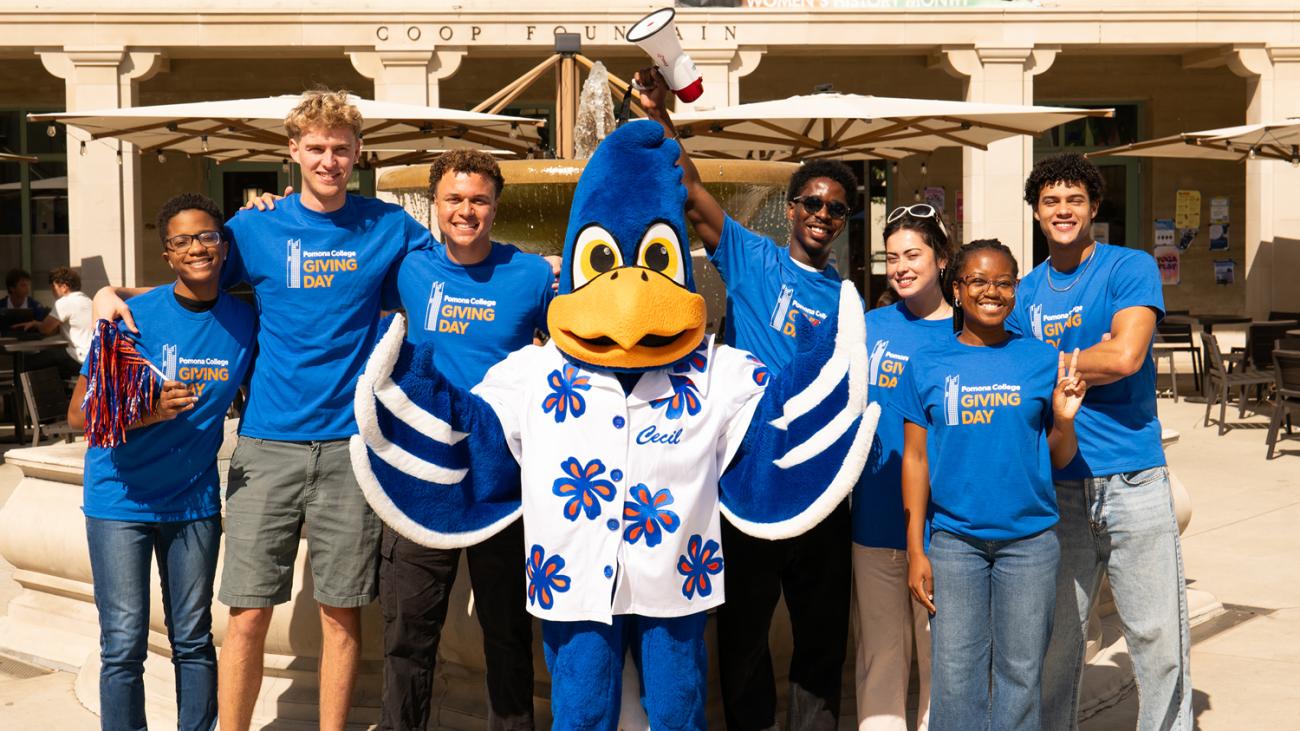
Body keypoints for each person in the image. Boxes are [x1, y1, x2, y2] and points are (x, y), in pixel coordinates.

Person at [93, 89, 434, 731]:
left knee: (341, 613)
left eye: (341, 149)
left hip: (350, 447)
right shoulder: (252, 229)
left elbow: (453, 272)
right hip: (266, 445)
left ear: (358, 153)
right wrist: (111, 293)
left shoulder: (389, 225)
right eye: (317, 148)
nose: (329, 161)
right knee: (247, 613)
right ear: (293, 151)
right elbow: (192, 276)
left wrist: (536, 276)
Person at [638, 66, 859, 729]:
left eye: (835, 209)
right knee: (742, 637)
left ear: (844, 222)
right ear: (791, 208)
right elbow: (689, 189)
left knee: (821, 640)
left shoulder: (849, 302)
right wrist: (658, 113)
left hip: (819, 485)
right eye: (812, 203)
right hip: (745, 476)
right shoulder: (752, 257)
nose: (822, 215)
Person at [1009, 153, 1190, 731]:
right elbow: (1013, 376)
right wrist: (1087, 357)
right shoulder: (1024, 292)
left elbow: (1126, 356)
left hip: (1134, 478)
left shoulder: (1128, 267)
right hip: (1058, 486)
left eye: (1074, 200)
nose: (1063, 210)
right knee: (1056, 644)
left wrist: (1044, 363)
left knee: (1158, 640)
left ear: (1093, 207)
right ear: (1036, 212)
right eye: (1051, 201)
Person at [68, 193, 257, 731]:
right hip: (119, 501)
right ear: (167, 254)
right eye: (182, 241)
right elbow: (79, 415)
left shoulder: (245, 321)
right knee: (123, 643)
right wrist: (146, 412)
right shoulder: (132, 317)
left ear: (224, 247)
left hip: (193, 502)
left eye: (207, 236)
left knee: (193, 639)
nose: (197, 247)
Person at [378, 149, 553, 730]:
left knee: (507, 630)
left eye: (479, 200)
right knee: (408, 631)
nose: (466, 211)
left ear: (496, 207)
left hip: (500, 474)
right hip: (421, 468)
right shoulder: (408, 267)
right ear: (434, 204)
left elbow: (571, 353)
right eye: (454, 198)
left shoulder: (532, 275)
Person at [897, 239, 1086, 731]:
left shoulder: (1040, 359)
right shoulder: (927, 364)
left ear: (1015, 290)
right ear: (957, 290)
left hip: (1030, 543)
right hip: (955, 543)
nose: (991, 292)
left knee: (1021, 675)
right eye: (978, 281)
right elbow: (915, 459)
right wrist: (916, 550)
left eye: (1003, 283)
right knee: (955, 675)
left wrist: (1065, 421)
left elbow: (1060, 455)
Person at [853, 204, 953, 731]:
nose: (901, 267)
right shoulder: (869, 327)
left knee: (943, 663)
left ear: (941, 259)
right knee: (880, 660)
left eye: (913, 254)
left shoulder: (967, 331)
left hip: (942, 527)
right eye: (892, 257)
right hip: (873, 519)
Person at [17, 266, 93, 379]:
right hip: (92, 359)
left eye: (54, 287)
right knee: (54, 359)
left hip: (79, 358)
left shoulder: (65, 302)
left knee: (27, 363)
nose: (52, 291)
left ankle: (21, 390)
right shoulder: (88, 300)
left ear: (64, 287)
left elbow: (45, 329)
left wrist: (36, 324)